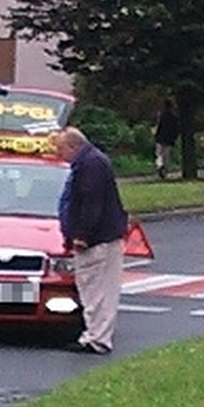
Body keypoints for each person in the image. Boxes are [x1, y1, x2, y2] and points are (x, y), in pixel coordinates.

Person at [53, 127, 128, 354]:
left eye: (61, 149)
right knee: (98, 289)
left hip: (97, 240)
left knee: (96, 290)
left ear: (73, 146)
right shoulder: (92, 161)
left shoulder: (89, 165)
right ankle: (96, 335)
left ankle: (97, 338)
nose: (59, 155)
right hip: (103, 236)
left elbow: (91, 202)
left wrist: (82, 235)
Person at [153, 98, 178, 180]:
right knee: (166, 157)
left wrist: (156, 135)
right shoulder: (174, 117)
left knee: (159, 155)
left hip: (160, 138)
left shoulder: (161, 116)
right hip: (169, 140)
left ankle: (160, 166)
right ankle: (165, 172)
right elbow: (175, 129)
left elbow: (159, 126)